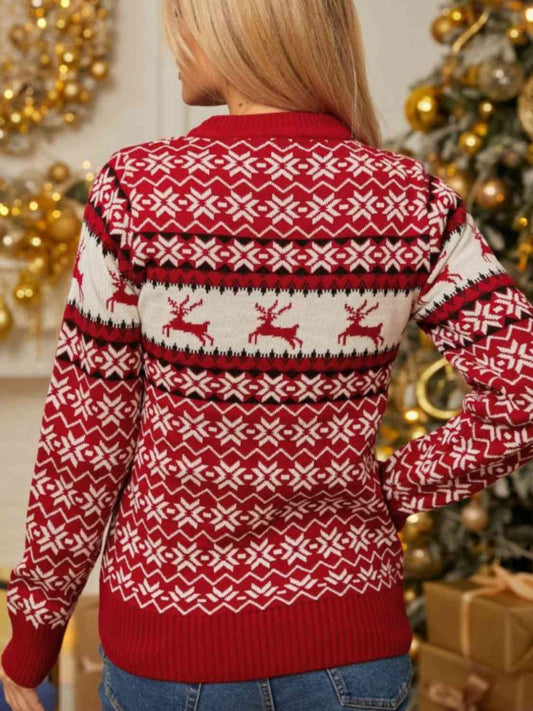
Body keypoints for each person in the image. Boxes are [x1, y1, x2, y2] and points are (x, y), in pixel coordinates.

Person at [2, 0, 533, 709]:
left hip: (172, 649)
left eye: (183, 18)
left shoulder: (139, 190)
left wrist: (34, 633)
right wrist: (388, 491)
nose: (175, 43)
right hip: (352, 650)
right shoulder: (413, 199)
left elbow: (85, 439)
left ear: (231, 26)